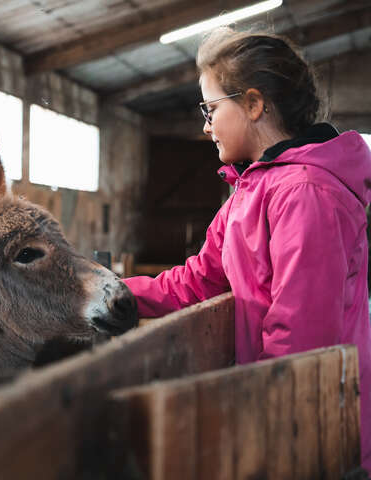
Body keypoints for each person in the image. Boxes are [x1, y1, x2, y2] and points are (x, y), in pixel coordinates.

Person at [123, 27, 371, 472]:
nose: (205, 124)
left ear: (254, 104)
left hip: (314, 420)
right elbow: (197, 280)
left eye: (211, 108)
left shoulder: (305, 192)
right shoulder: (250, 190)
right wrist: (115, 292)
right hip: (281, 407)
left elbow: (300, 337)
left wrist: (257, 425)